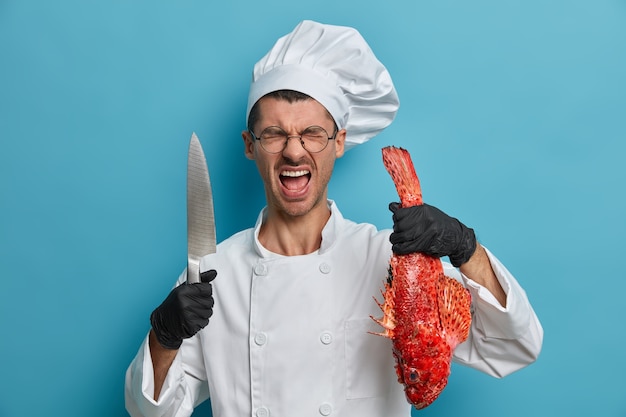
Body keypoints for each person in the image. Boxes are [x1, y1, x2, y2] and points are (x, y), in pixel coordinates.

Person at [125, 20, 543, 417]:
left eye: (312, 133)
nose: (293, 151)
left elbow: (514, 345)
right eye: (273, 134)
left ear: (339, 142)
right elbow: (149, 411)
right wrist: (163, 337)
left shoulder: (390, 261)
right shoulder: (215, 274)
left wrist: (464, 247)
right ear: (249, 146)